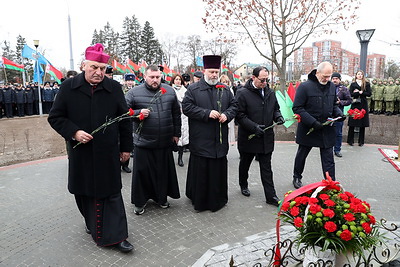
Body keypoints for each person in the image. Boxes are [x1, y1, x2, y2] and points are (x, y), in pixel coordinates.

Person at [48, 43, 134, 253]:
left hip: (107, 152)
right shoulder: (68, 87)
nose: (98, 72)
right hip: (81, 152)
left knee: (112, 193)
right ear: (84, 65)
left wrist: (126, 148)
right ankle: (91, 223)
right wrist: (74, 132)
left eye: (102, 69)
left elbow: (124, 120)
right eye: (94, 67)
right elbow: (55, 117)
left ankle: (118, 236)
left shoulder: (113, 88)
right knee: (84, 192)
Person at [182, 55, 238, 212]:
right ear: (204, 71)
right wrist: (206, 113)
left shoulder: (225, 90)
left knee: (218, 172)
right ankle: (200, 201)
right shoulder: (193, 89)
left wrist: (227, 115)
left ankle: (218, 200)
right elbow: (187, 108)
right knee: (201, 172)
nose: (214, 75)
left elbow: (234, 106)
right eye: (211, 72)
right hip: (201, 139)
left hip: (219, 142)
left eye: (216, 72)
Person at [125, 65, 181, 215]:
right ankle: (140, 202)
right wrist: (137, 113)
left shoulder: (169, 91)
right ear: (145, 77)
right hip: (144, 142)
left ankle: (161, 198)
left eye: (158, 77)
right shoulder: (133, 93)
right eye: (152, 77)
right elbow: (123, 112)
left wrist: (176, 133)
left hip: (164, 142)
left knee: (162, 173)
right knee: (142, 175)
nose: (155, 80)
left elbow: (176, 113)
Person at [235, 66, 284, 206]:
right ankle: (243, 184)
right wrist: (253, 127)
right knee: (245, 163)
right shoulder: (242, 93)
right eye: (262, 80)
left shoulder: (270, 92)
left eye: (267, 80)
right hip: (249, 136)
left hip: (266, 137)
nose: (265, 83)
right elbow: (240, 115)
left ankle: (271, 196)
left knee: (266, 168)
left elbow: (276, 109)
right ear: (253, 78)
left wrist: (278, 117)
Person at [292, 62, 344, 189]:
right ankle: (297, 176)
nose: (327, 79)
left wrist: (339, 114)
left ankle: (330, 181)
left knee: (328, 157)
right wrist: (312, 122)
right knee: (302, 154)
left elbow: (334, 105)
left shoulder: (331, 86)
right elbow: (297, 108)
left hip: (326, 128)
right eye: (325, 76)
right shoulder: (305, 87)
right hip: (309, 127)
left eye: (329, 76)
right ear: (317, 73)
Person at [347, 70, 371, 146]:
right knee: (352, 122)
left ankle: (361, 141)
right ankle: (350, 140)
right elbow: (350, 94)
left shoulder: (366, 84)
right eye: (358, 74)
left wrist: (361, 92)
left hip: (363, 104)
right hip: (355, 104)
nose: (360, 75)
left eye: (361, 74)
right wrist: (357, 93)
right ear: (356, 75)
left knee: (362, 123)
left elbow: (369, 94)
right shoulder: (353, 84)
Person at [331, 72, 352, 157]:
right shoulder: (327, 87)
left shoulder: (344, 89)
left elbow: (349, 100)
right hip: (328, 113)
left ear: (339, 79)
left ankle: (337, 149)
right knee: (327, 132)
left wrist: (341, 102)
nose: (334, 80)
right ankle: (327, 148)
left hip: (339, 113)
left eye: (336, 79)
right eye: (333, 78)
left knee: (338, 133)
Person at [170, 73, 189, 167]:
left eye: (179, 79)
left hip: (183, 116)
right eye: (176, 79)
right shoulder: (170, 90)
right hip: (171, 116)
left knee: (182, 137)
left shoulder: (186, 91)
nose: (178, 81)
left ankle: (180, 158)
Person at [120, 73, 136, 174]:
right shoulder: (120, 90)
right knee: (120, 140)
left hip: (133, 117)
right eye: (128, 80)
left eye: (131, 80)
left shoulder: (136, 90)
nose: (130, 82)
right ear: (125, 81)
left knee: (129, 140)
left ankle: (126, 164)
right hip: (122, 117)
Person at [219, 74, 236, 145]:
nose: (225, 83)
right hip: (220, 112)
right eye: (223, 81)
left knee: (230, 128)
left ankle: (230, 141)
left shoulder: (230, 90)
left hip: (228, 113)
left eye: (226, 82)